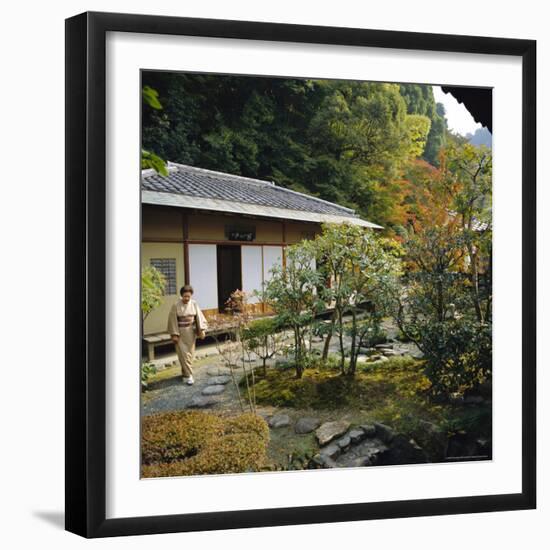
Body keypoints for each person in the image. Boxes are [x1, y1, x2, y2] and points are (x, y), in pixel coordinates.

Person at [167, 285, 208, 385]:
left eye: (188, 296)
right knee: (183, 354)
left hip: (190, 332)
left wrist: (201, 329)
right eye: (185, 296)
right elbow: (172, 319)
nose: (187, 298)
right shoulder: (176, 304)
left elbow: (199, 317)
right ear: (181, 295)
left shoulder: (194, 303)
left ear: (191, 296)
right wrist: (174, 334)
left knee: (190, 354)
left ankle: (185, 373)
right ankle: (190, 376)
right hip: (180, 332)